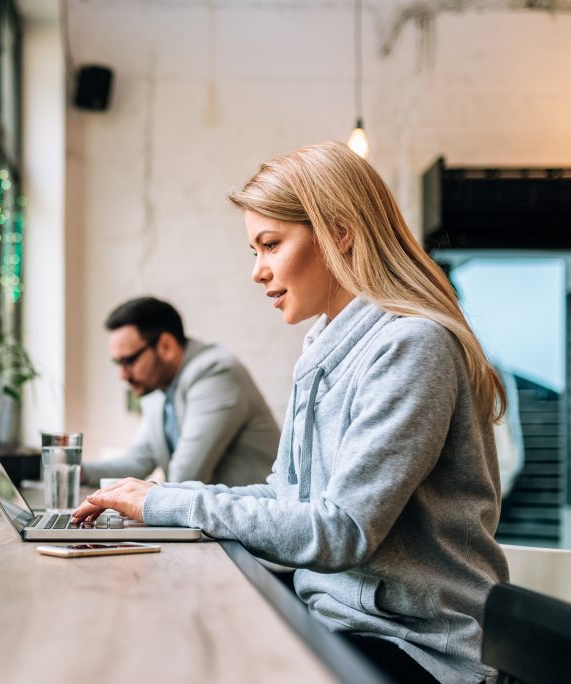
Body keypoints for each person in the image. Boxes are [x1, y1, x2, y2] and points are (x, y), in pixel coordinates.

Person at [73, 142, 509, 684]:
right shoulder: (323, 345)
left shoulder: (412, 345)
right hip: (337, 620)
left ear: (339, 231)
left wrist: (167, 502)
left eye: (270, 245)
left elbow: (342, 530)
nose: (258, 272)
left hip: (414, 647)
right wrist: (156, 500)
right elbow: (286, 497)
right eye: (254, 251)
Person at [81, 296, 278, 487]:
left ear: (166, 346)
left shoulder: (215, 373)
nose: (122, 375)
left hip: (256, 516)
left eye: (129, 361)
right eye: (117, 363)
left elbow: (186, 477)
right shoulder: (158, 390)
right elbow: (137, 462)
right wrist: (74, 471)